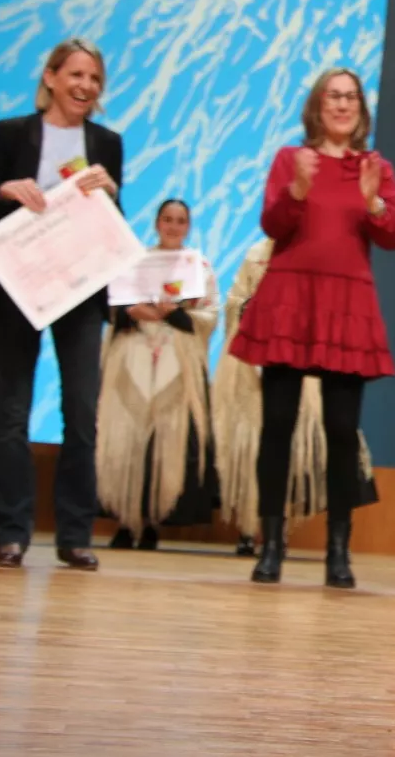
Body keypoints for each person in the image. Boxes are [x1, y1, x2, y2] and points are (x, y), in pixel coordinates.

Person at [228, 67, 395, 589]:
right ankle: (272, 546)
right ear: (317, 105)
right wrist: (299, 188)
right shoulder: (290, 159)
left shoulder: (375, 167)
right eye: (334, 96)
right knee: (277, 428)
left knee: (342, 434)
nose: (342, 105)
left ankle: (338, 551)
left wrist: (373, 200)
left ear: (360, 109)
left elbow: (394, 235)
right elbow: (273, 225)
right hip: (289, 299)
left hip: (345, 304)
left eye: (351, 97)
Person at [0, 38, 122, 571]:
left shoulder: (107, 141)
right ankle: (10, 533)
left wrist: (110, 191)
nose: (86, 87)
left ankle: (75, 534)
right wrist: (8, 191)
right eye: (77, 75)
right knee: (11, 414)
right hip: (18, 287)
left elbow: (111, 223)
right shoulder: (12, 133)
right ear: (52, 77)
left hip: (80, 291)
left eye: (95, 80)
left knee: (82, 414)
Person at [211, 237, 379, 554]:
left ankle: (280, 526)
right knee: (253, 444)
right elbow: (235, 301)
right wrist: (256, 308)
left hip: (304, 356)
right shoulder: (256, 253)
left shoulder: (317, 250)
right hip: (254, 362)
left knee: (300, 444)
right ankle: (251, 527)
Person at [97, 198, 220, 550]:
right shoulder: (135, 261)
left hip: (175, 361)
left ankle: (152, 520)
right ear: (156, 223)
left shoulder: (198, 265)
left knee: (165, 441)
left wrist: (175, 315)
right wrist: (131, 311)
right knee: (127, 438)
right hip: (133, 354)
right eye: (167, 219)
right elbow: (111, 305)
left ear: (188, 226)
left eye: (180, 221)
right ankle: (124, 519)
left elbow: (210, 314)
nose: (173, 226)